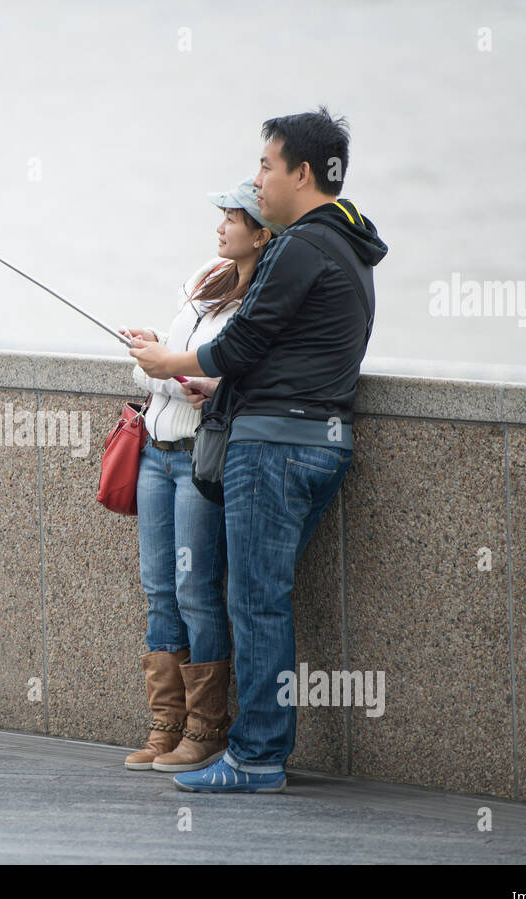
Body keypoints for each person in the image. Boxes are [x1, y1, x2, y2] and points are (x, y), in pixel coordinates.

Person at [129, 107, 388, 793]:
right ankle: (255, 749)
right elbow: (283, 352)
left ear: (303, 173)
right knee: (261, 595)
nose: (258, 178)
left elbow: (244, 344)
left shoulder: (301, 245)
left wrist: (168, 360)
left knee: (255, 599)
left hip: (275, 447)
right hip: (317, 440)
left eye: (267, 166)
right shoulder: (349, 246)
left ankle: (256, 756)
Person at [119, 179, 284, 773]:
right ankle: (164, 726)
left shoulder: (262, 298)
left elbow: (231, 384)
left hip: (199, 458)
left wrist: (190, 379)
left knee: (196, 591)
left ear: (262, 233)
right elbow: (159, 374)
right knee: (159, 587)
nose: (220, 225)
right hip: (154, 451)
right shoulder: (203, 278)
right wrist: (155, 354)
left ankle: (206, 729)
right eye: (220, 214)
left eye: (233, 217)